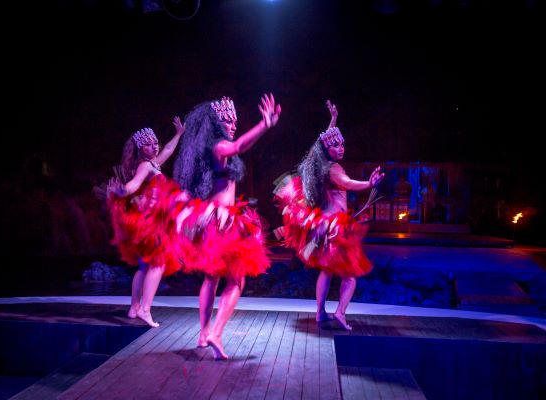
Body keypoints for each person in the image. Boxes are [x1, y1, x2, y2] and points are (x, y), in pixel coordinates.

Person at [173, 94, 281, 359]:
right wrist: (264, 125)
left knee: (212, 278)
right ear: (215, 123)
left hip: (215, 220)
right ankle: (216, 333)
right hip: (222, 222)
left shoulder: (212, 149)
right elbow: (240, 145)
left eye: (235, 121)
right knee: (237, 280)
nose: (233, 124)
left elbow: (242, 145)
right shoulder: (220, 146)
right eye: (227, 120)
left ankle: (203, 333)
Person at [275, 101, 384, 330]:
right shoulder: (334, 169)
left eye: (342, 144)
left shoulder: (321, 167)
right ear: (327, 150)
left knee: (326, 271)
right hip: (335, 228)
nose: (341, 148)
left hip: (323, 226)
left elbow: (322, 143)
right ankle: (340, 313)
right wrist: (368, 183)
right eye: (336, 146)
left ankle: (320, 313)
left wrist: (333, 119)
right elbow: (348, 183)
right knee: (350, 276)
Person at [108, 116, 186, 327]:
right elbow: (133, 185)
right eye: (149, 144)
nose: (155, 146)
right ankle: (145, 309)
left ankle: (134, 307)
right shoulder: (145, 166)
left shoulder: (152, 164)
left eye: (155, 143)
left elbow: (167, 151)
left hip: (146, 221)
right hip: (152, 224)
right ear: (140, 149)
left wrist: (178, 134)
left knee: (144, 267)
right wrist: (122, 191)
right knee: (158, 264)